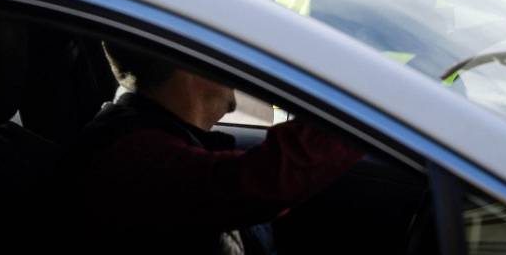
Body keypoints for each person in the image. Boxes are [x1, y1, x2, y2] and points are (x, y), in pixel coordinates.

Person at [62, 42, 362, 254]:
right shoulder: (130, 157)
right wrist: (364, 104)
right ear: (192, 61)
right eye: (223, 47)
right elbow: (260, 184)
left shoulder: (153, 136)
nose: (237, 63)